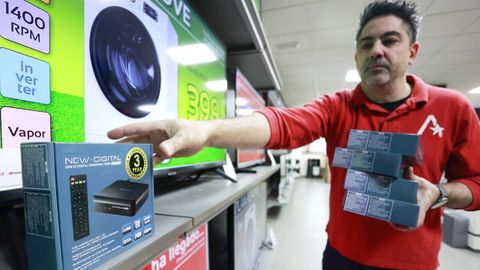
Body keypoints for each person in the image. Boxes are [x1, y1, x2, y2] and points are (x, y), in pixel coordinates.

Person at [107, 0, 480, 269]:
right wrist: (205, 130)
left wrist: (438, 194)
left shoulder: (452, 108)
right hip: (340, 258)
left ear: (412, 51)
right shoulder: (338, 106)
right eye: (366, 44)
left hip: (413, 264)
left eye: (390, 40)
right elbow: (282, 124)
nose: (376, 51)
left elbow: (477, 184)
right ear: (356, 57)